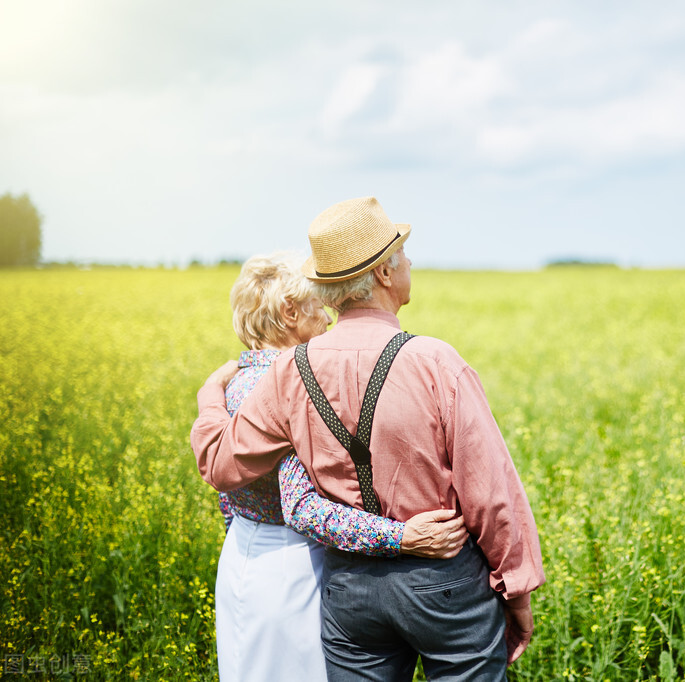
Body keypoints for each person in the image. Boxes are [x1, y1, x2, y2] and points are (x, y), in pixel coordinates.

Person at [191, 196, 545, 681]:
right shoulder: (436, 363)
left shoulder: (290, 371)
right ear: (383, 273)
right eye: (404, 255)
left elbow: (220, 465)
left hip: (350, 590)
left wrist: (210, 395)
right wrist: (517, 592)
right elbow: (491, 493)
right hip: (443, 582)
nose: (411, 263)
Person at [210, 253, 468, 682]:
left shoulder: (234, 382)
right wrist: (402, 537)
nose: (330, 314)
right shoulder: (287, 386)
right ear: (290, 313)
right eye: (318, 302)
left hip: (241, 556)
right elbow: (302, 509)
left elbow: (228, 497)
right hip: (292, 571)